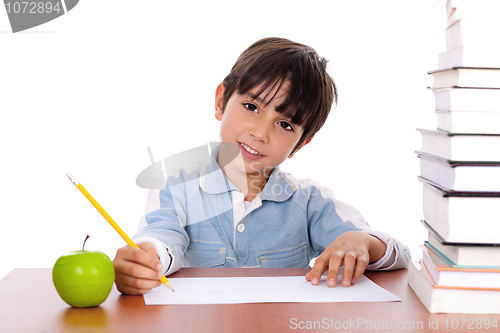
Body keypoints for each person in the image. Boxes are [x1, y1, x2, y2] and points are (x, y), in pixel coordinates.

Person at [113, 37, 410, 295]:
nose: (260, 133)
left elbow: (398, 254)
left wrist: (362, 242)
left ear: (301, 143)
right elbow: (161, 236)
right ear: (221, 101)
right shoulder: (176, 184)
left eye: (284, 124)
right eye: (251, 107)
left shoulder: (308, 201)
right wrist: (148, 259)